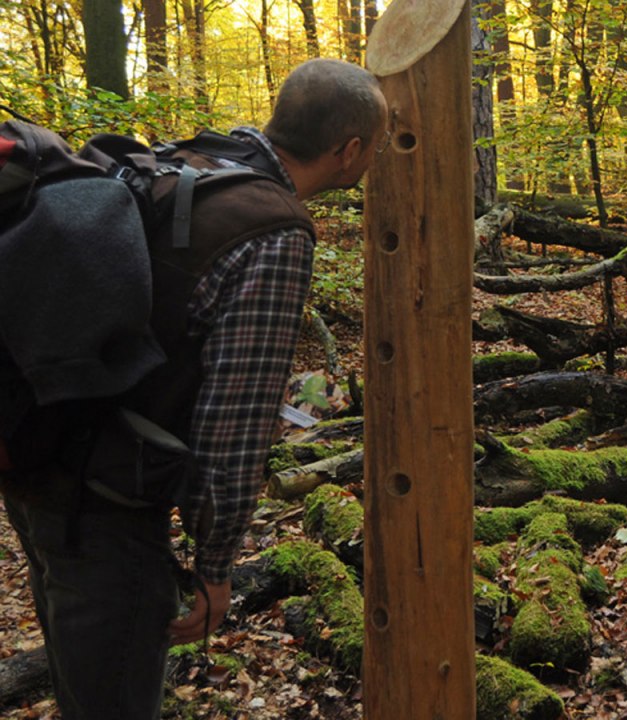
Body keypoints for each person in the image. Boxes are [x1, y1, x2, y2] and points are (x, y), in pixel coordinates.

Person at [0, 58, 387, 719]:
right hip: (107, 506)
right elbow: (233, 422)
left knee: (81, 681)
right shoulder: (275, 230)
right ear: (349, 150)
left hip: (40, 443)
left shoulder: (194, 160)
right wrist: (214, 564)